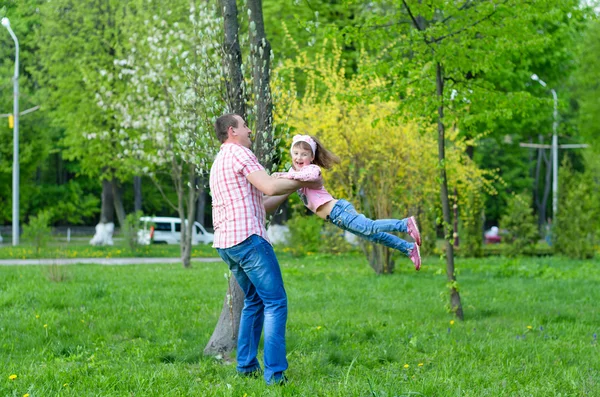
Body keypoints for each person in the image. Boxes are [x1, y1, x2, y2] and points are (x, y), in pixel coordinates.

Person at [209, 114, 322, 385]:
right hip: (249, 240)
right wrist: (305, 177)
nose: (250, 130)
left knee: (255, 301)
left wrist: (292, 186)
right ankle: (275, 376)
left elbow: (262, 201)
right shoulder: (241, 153)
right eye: (245, 125)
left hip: (227, 244)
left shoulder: (220, 161)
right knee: (275, 302)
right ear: (232, 130)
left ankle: (246, 367)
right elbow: (271, 184)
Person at [274, 134, 422, 270]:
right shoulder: (295, 174)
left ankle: (405, 224)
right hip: (336, 218)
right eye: (296, 153)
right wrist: (279, 176)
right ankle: (408, 248)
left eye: (304, 154)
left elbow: (309, 175)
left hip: (339, 211)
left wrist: (286, 176)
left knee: (369, 227)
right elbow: (290, 178)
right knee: (373, 235)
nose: (299, 157)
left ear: (312, 157)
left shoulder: (312, 170)